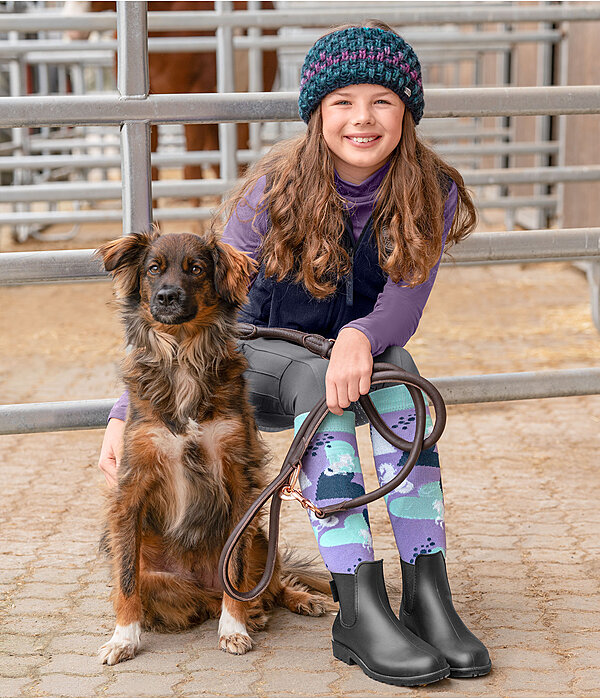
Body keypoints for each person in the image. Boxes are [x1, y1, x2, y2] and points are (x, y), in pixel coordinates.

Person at [99, 21, 491, 687]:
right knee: (319, 381)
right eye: (342, 102)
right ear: (317, 114)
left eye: (382, 101)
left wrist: (361, 338)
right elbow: (204, 312)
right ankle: (358, 604)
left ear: (407, 111)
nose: (361, 119)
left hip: (356, 355)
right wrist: (124, 412)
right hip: (256, 363)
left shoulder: (430, 186)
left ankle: (429, 590)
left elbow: (405, 302)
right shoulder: (275, 186)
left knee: (404, 381)